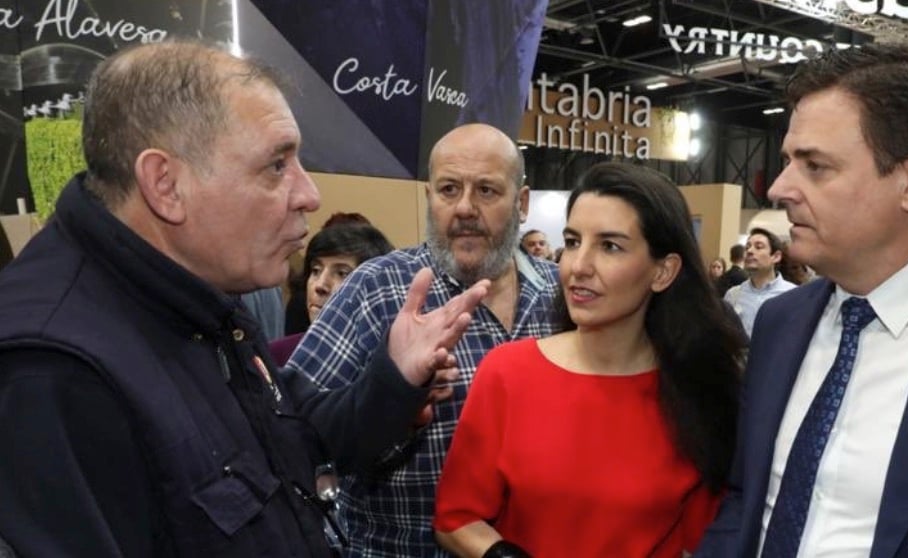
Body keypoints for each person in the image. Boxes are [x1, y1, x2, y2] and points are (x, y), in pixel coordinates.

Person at [0, 41, 489, 557]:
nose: (308, 195)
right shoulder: (50, 371)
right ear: (165, 184)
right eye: (276, 166)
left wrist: (394, 379)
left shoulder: (203, 299)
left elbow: (298, 448)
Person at [696, 43, 908, 557]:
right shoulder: (779, 322)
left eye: (814, 166)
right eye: (788, 161)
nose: (779, 188)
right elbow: (749, 498)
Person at [433, 162, 745, 557]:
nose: (578, 266)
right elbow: (455, 517)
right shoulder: (508, 372)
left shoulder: (698, 395)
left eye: (610, 246)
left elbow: (710, 537)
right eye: (573, 241)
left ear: (663, 271)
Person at [286, 123, 560, 557]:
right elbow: (292, 427)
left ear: (522, 203)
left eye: (487, 191)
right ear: (429, 197)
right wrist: (392, 398)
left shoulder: (562, 295)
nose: (465, 208)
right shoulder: (377, 288)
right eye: (449, 189)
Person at [270, 222, 394, 365]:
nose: (320, 285)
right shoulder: (276, 356)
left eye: (342, 273)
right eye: (316, 270)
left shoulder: (395, 363)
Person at [723, 228, 796, 338]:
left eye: (758, 247)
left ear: (776, 256)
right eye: (747, 247)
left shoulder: (793, 294)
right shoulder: (733, 295)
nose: (750, 251)